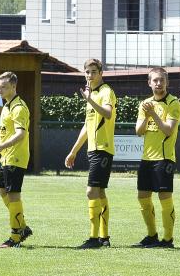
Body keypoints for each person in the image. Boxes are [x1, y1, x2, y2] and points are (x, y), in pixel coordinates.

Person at [64, 59, 117, 249]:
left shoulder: (105, 92)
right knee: (100, 192)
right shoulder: (92, 94)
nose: (90, 75)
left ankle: (94, 239)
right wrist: (73, 151)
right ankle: (104, 237)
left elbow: (108, 114)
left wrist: (89, 100)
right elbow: (87, 127)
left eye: (93, 72)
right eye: (87, 72)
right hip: (93, 149)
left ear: (101, 73)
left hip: (103, 148)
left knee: (91, 192)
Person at [132, 67, 180, 249]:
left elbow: (168, 129)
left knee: (164, 197)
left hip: (164, 158)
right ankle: (152, 236)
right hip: (147, 158)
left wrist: (152, 114)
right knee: (143, 197)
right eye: (155, 80)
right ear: (149, 83)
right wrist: (146, 115)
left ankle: (168, 240)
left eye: (161, 80)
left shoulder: (174, 103)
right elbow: (139, 131)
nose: (158, 84)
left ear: (167, 82)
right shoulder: (145, 104)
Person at [0, 72, 33, 248]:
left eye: (3, 87)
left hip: (16, 156)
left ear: (14, 86)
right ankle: (22, 227)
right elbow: (6, 133)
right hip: (6, 156)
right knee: (2, 191)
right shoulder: (6, 106)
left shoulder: (19, 107)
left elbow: (21, 134)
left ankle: (15, 237)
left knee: (13, 195)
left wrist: (1, 148)